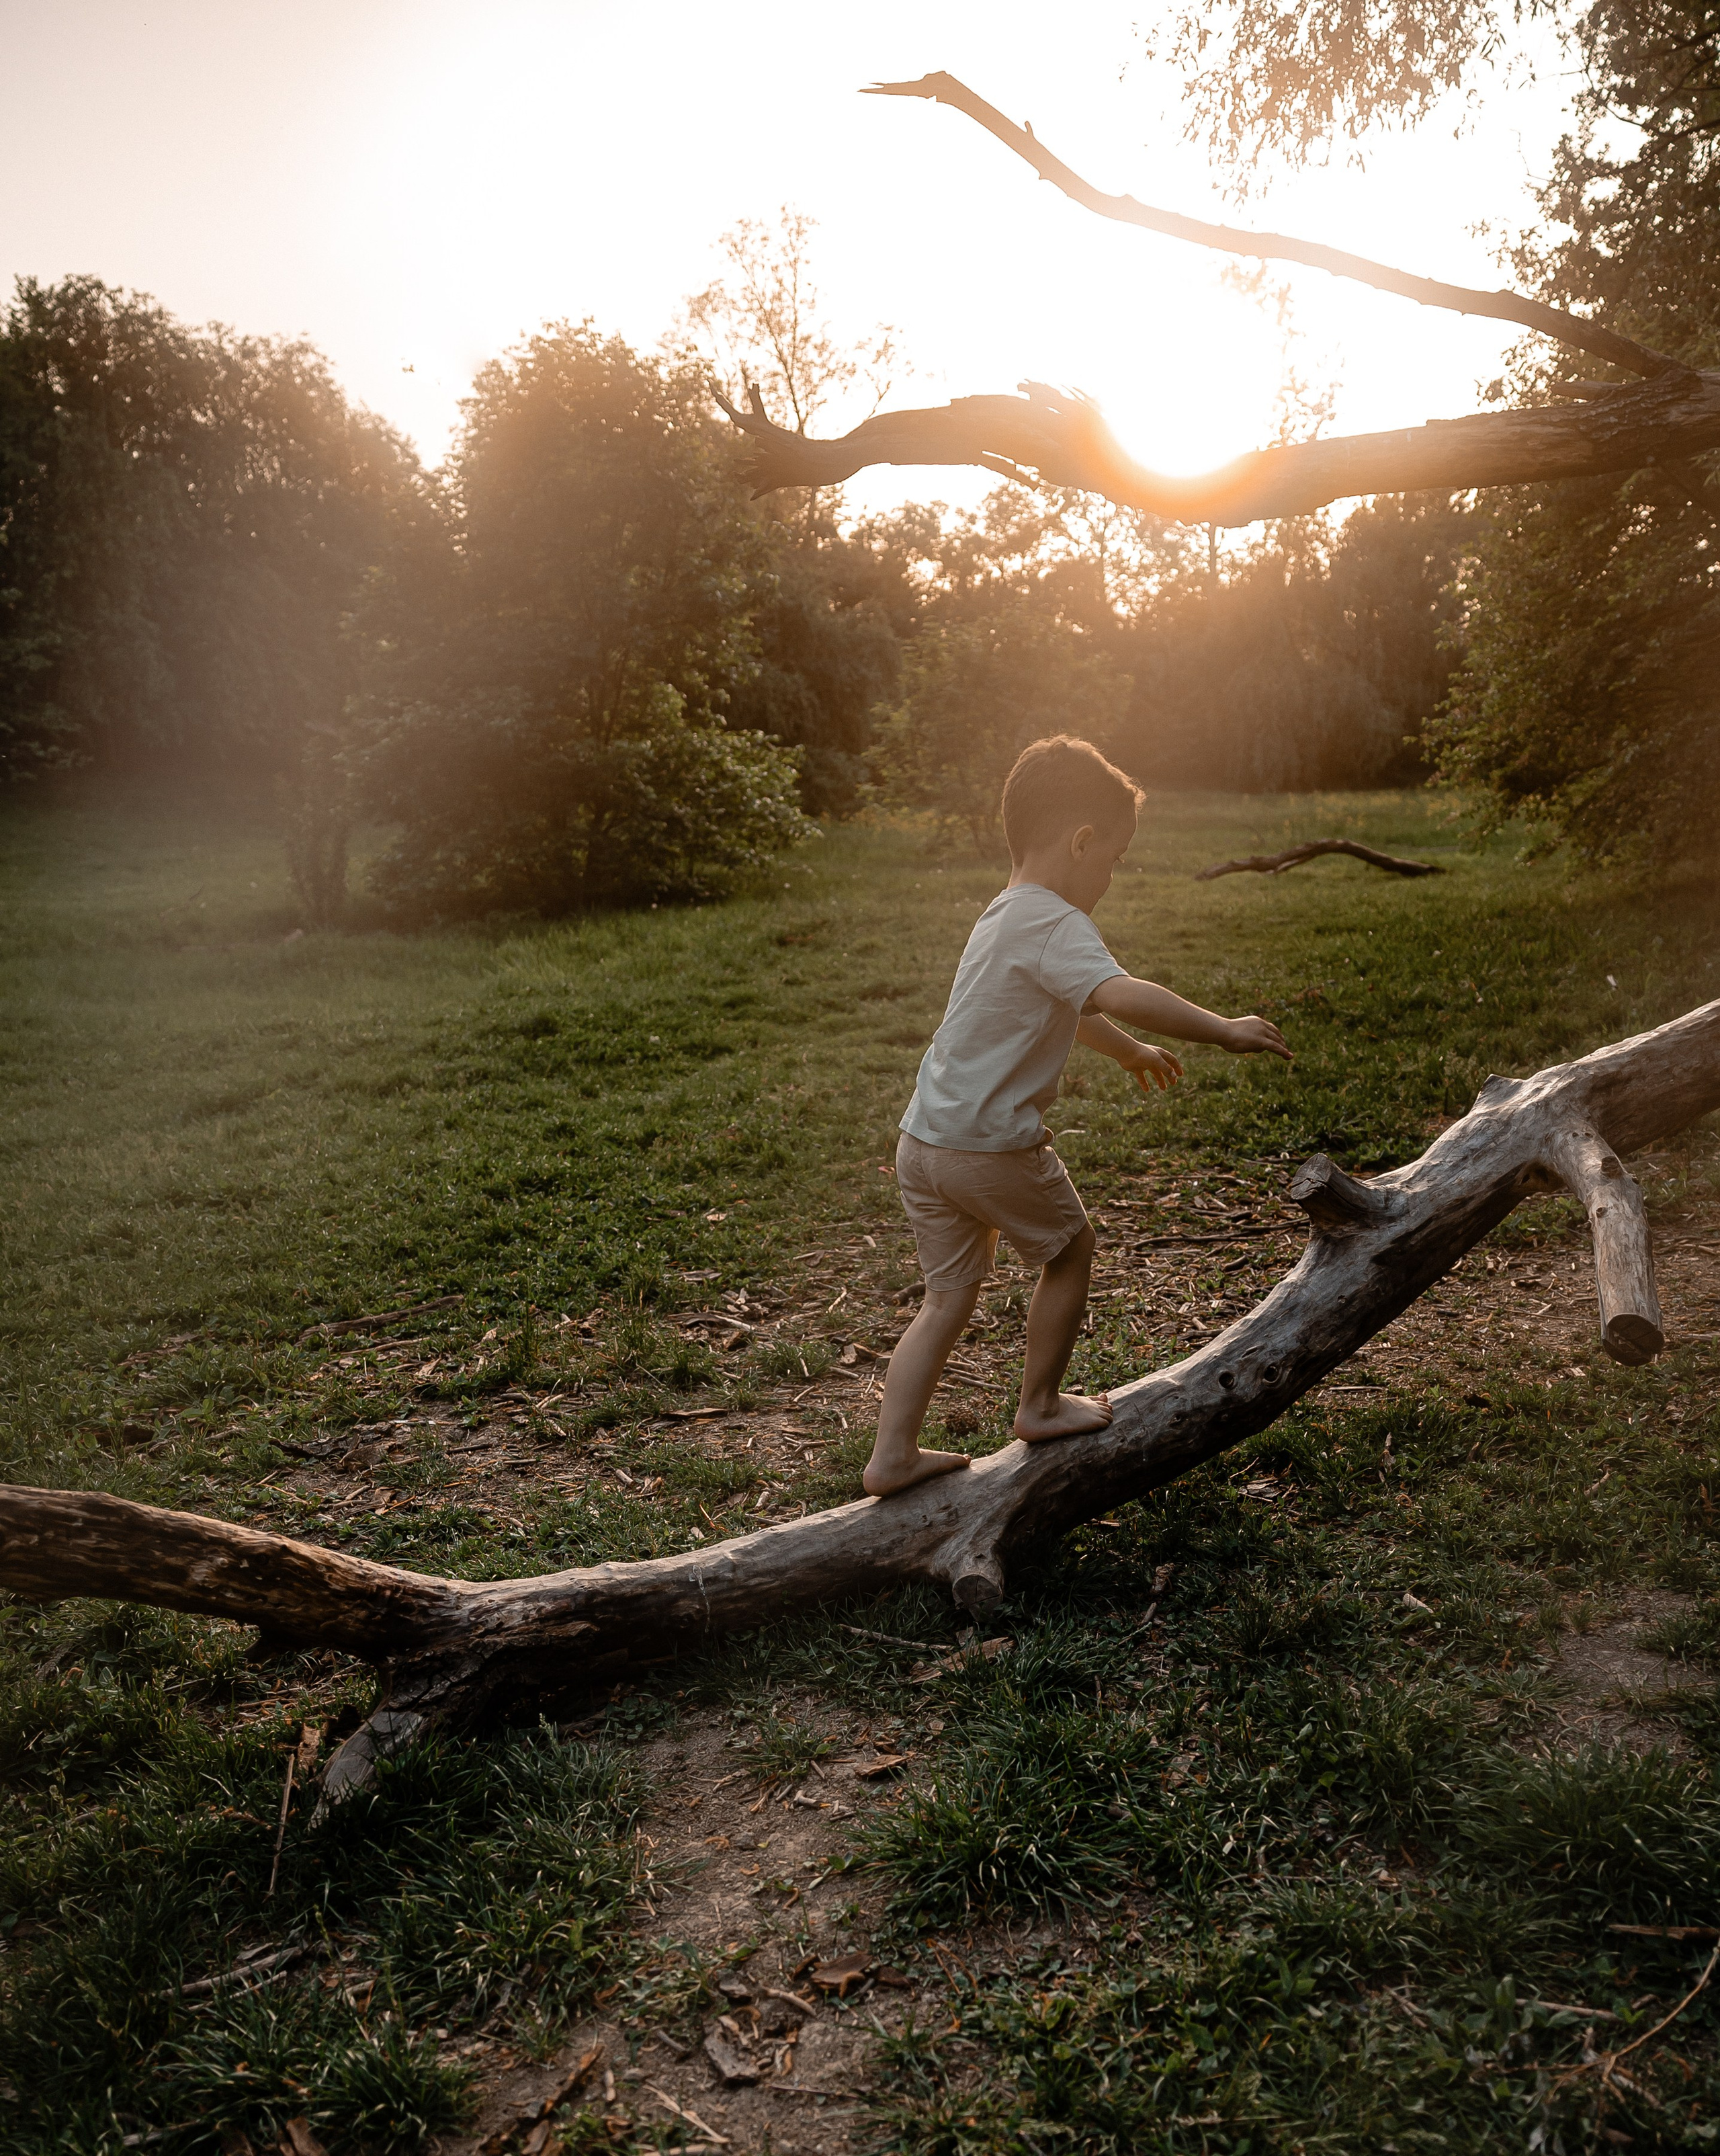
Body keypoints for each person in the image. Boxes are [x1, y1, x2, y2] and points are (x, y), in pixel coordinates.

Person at [863, 735, 1293, 1498]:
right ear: (1081, 841)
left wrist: (1125, 1052)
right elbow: (1113, 990)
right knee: (1070, 1250)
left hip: (925, 1141)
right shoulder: (1058, 922)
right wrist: (1223, 1028)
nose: (1111, 876)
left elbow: (1073, 1005)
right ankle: (1038, 1405)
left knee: (944, 1299)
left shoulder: (1001, 914)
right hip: (990, 1148)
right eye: (1115, 859)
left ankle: (891, 1455)